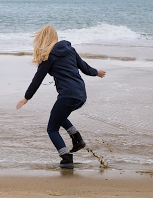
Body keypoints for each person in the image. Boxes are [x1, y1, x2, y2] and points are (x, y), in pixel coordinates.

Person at [16, 25, 106, 169]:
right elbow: (84, 68)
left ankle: (66, 158)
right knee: (58, 115)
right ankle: (77, 139)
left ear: (43, 39)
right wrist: (97, 72)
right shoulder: (70, 50)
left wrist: (26, 98)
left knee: (52, 129)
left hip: (68, 95)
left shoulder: (48, 57)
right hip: (81, 94)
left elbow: (37, 80)